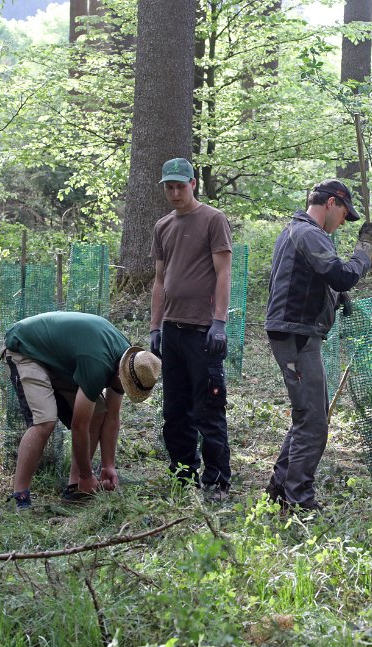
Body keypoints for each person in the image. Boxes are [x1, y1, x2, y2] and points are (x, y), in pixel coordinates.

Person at [264, 179, 372, 510]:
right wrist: (365, 251)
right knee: (314, 422)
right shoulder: (308, 232)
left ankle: (279, 490)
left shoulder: (301, 232)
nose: (344, 222)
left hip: (299, 333)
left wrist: (334, 297)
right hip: (296, 335)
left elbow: (307, 277)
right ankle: (298, 500)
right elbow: (341, 274)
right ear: (331, 203)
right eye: (345, 213)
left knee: (308, 416)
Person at [3, 311, 161, 510]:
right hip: (26, 347)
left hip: (58, 357)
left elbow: (112, 417)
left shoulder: (131, 362)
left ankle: (76, 487)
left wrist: (108, 466)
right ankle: (20, 496)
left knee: (98, 412)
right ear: (121, 375)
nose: (125, 389)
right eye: (127, 386)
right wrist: (88, 474)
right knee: (45, 421)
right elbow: (79, 426)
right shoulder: (98, 365)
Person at [149, 157, 234, 498]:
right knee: (174, 411)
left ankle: (217, 481)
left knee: (208, 409)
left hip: (203, 331)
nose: (174, 193)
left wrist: (219, 322)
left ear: (193, 184)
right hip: (172, 331)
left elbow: (224, 272)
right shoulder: (163, 226)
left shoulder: (213, 220)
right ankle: (183, 475)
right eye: (168, 187)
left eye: (179, 186)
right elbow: (158, 280)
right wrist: (155, 327)